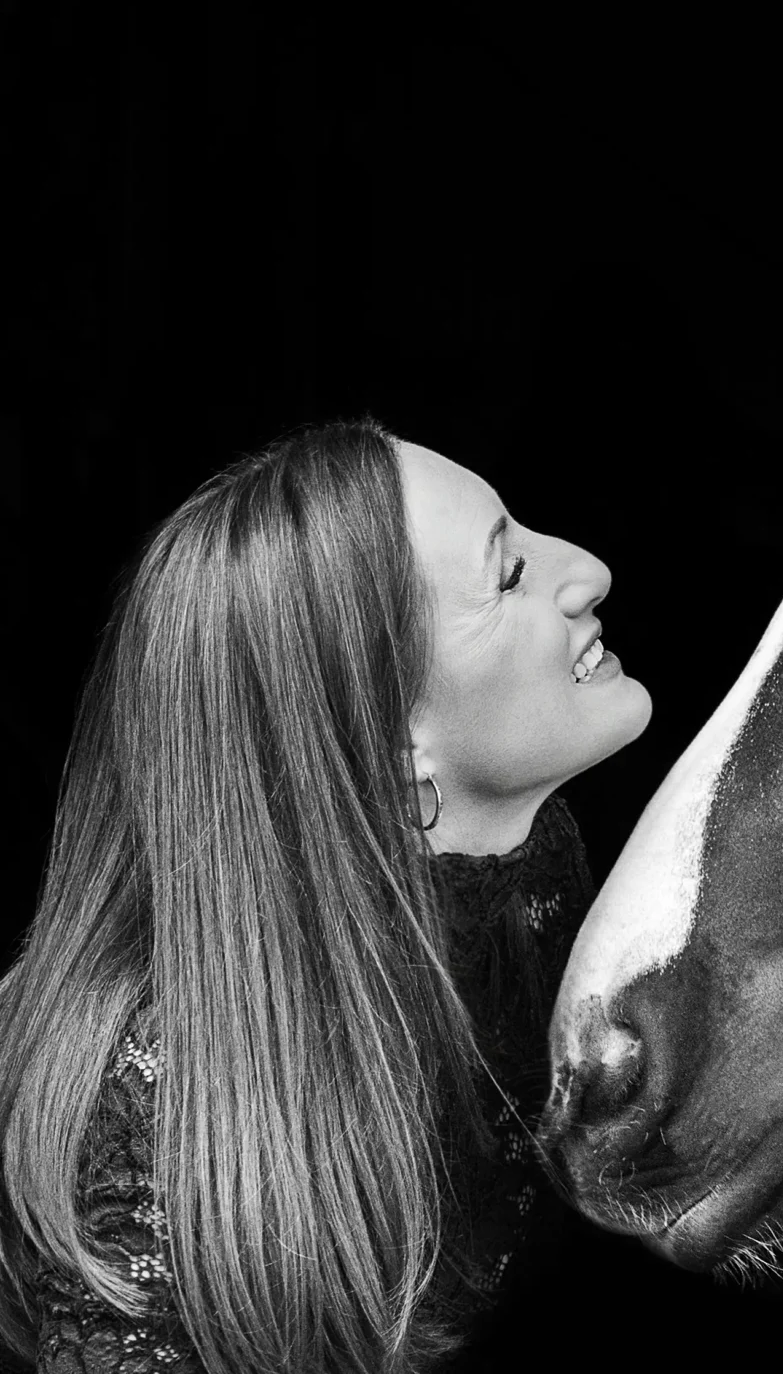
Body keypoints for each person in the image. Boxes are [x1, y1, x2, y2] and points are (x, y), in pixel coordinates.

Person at [0, 418, 651, 1372]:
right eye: (506, 576)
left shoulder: (537, 870)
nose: (586, 569)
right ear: (396, 759)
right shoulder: (149, 1115)